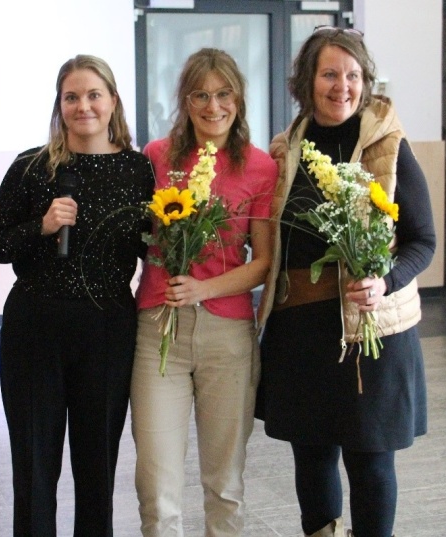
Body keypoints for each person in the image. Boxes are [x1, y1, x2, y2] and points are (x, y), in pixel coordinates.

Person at [256, 26, 436, 537]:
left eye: (352, 75)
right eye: (329, 73)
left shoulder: (389, 147)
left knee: (371, 462)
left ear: (366, 81)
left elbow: (422, 240)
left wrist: (385, 279)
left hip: (371, 335)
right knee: (311, 460)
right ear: (306, 82)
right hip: (300, 334)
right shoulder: (285, 151)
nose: (342, 86)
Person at [0, 54, 154, 536]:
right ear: (59, 105)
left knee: (97, 466)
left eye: (94, 95)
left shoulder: (139, 171)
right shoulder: (33, 167)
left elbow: (152, 244)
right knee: (35, 467)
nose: (84, 106)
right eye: (71, 97)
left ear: (113, 101)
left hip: (107, 328)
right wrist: (42, 225)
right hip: (35, 327)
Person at [131, 48, 278, 536]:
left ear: (238, 98)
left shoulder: (259, 167)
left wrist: (202, 288)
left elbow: (262, 263)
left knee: (225, 484)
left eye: (223, 94)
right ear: (185, 100)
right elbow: (143, 235)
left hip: (228, 334)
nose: (213, 106)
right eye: (200, 95)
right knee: (157, 488)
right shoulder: (157, 157)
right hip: (158, 332)